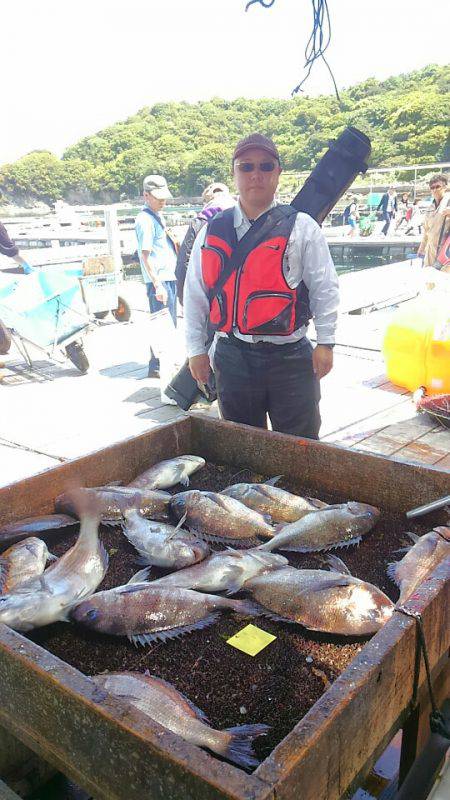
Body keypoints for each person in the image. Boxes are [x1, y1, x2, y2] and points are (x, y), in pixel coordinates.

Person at [184, 132, 339, 440]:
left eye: (266, 166)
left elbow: (325, 288)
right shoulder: (211, 230)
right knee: (242, 443)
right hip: (232, 355)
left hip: (291, 357)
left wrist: (326, 342)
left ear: (278, 172)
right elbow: (195, 295)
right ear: (234, 173)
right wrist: (195, 350)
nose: (256, 174)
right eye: (246, 166)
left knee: (300, 443)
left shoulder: (303, 227)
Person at [134, 175, 178, 377]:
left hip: (168, 277)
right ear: (146, 196)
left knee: (168, 323)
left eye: (163, 197)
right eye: (158, 197)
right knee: (162, 324)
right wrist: (157, 284)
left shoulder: (157, 216)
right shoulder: (145, 220)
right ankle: (158, 365)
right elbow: (145, 255)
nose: (163, 201)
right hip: (159, 280)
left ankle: (162, 363)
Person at [175, 182, 234, 305]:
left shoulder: (201, 221)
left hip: (210, 294)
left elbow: (184, 262)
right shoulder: (244, 214)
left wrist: (183, 298)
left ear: (207, 200)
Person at [417, 174, 450, 267]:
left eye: (438, 187)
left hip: (446, 254)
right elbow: (426, 231)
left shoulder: (448, 202)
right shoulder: (430, 208)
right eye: (432, 188)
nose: (435, 190)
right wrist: (421, 248)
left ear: (445, 187)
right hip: (430, 253)